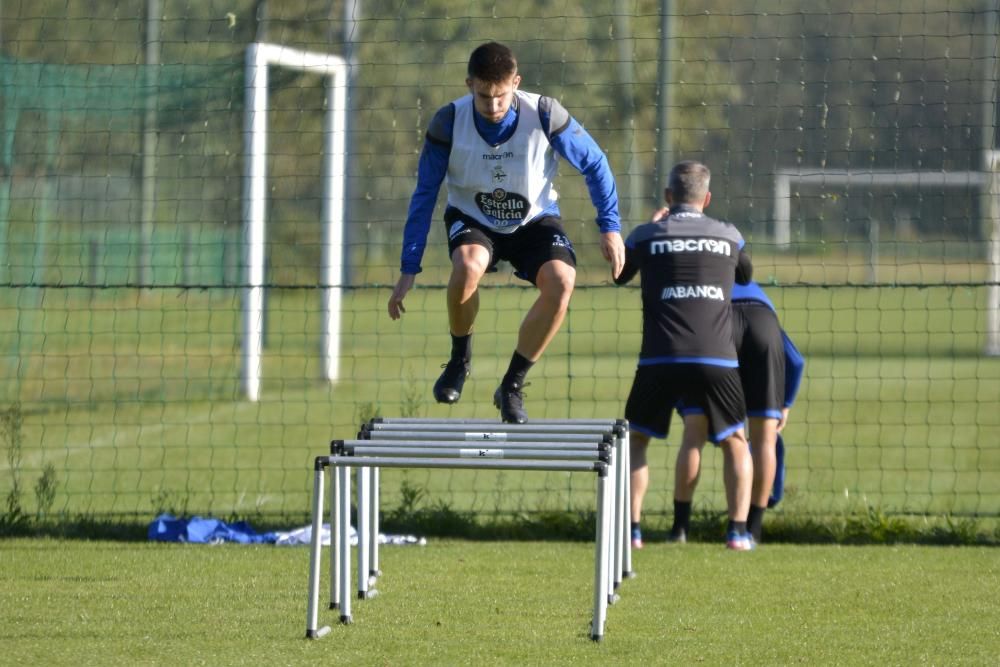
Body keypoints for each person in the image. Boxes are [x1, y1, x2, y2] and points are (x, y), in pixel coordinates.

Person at [387, 41, 625, 423]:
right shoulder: (447, 122)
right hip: (473, 219)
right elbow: (425, 194)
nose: (494, 107)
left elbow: (595, 164)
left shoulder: (545, 113)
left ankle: (511, 386)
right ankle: (459, 361)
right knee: (466, 266)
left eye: (501, 96)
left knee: (563, 282)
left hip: (534, 220)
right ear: (469, 85)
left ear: (516, 82)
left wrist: (610, 227)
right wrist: (408, 267)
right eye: (484, 97)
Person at [615, 160, 756, 551]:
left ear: (667, 196)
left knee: (637, 439)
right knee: (735, 441)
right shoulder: (729, 236)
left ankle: (632, 532)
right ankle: (738, 532)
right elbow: (745, 275)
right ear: (707, 198)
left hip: (660, 357)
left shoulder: (647, 235)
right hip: (718, 358)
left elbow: (619, 273)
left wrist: (653, 225)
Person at [661, 282, 806, 546]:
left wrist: (685, 406)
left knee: (694, 434)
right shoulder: (758, 293)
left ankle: (679, 529)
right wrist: (784, 404)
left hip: (714, 322)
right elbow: (796, 361)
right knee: (765, 439)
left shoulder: (702, 278)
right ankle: (750, 530)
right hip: (763, 326)